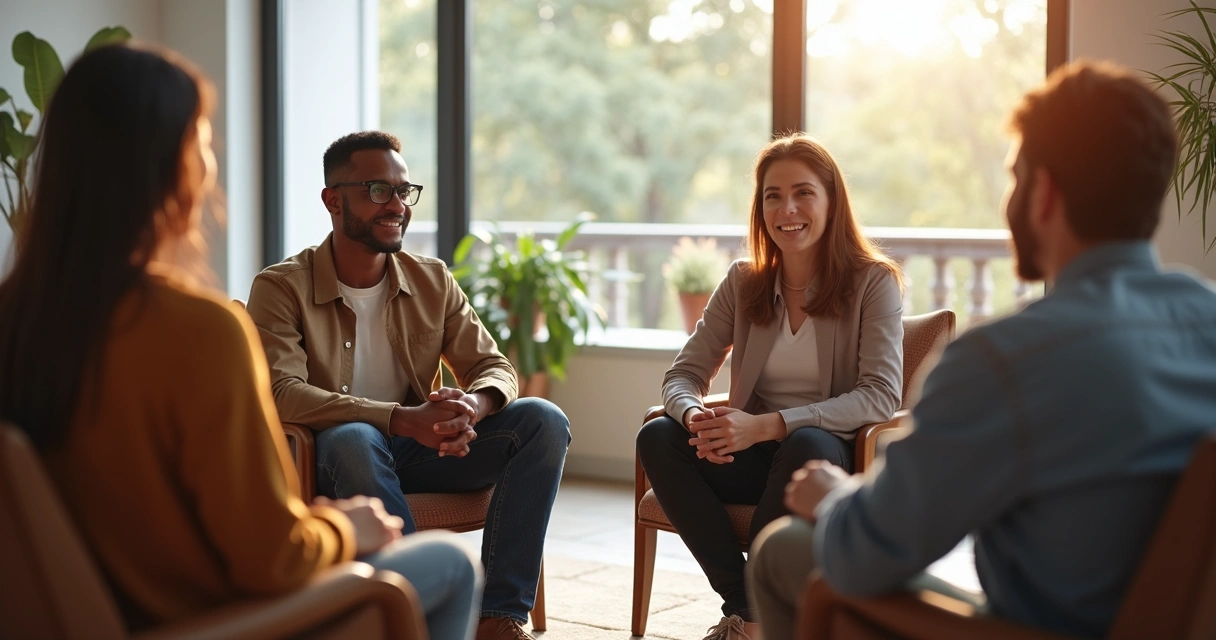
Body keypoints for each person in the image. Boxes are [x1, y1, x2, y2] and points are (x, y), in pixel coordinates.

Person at [0, 45, 481, 639]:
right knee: (450, 565)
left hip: (98, 614)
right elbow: (272, 558)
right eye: (203, 141)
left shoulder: (15, 318)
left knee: (535, 423)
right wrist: (346, 529)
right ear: (175, 169)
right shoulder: (197, 331)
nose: (210, 164)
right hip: (212, 618)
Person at [748, 60, 1216, 639]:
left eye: (1014, 176)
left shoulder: (1006, 359)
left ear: (1043, 192)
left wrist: (835, 497)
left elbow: (865, 553)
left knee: (787, 549)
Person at [245, 130, 570, 640]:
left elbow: (493, 365)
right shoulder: (281, 286)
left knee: (543, 420)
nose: (397, 204)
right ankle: (416, 616)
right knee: (355, 436)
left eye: (404, 191)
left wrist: (473, 405)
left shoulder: (432, 280)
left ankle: (499, 618)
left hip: (427, 450)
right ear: (333, 200)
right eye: (378, 190)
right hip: (340, 457)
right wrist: (401, 419)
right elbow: (283, 392)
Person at [636, 134, 904, 640]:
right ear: (760, 209)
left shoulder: (873, 282)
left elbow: (880, 395)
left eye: (803, 193)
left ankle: (749, 616)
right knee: (657, 435)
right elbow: (682, 375)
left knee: (806, 441)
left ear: (831, 201)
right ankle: (752, 610)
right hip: (750, 458)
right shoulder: (744, 282)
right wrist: (695, 416)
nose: (788, 209)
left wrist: (767, 425)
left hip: (824, 460)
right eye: (773, 196)